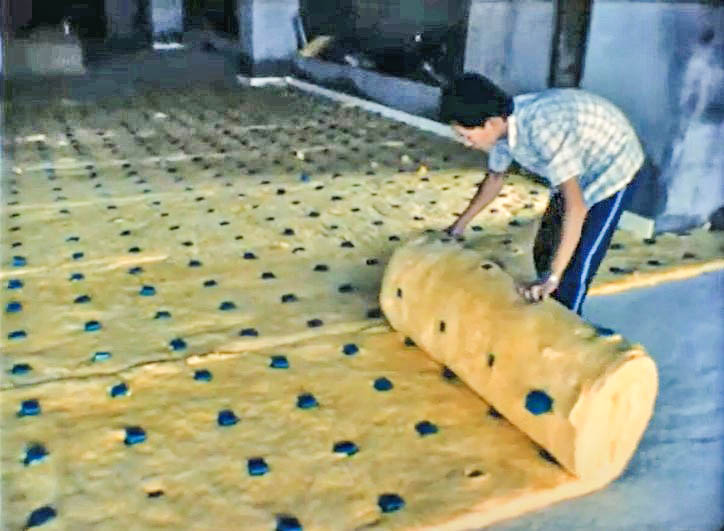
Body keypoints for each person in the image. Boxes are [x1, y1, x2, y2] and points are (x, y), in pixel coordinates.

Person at [439, 72, 647, 315]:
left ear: (491, 123)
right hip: (580, 162)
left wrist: (554, 277)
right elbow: (494, 179)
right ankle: (547, 298)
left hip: (613, 166)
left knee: (576, 265)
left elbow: (576, 207)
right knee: (545, 249)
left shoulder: (543, 130)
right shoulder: (503, 129)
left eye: (467, 135)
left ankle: (569, 320)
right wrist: (457, 228)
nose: (466, 143)